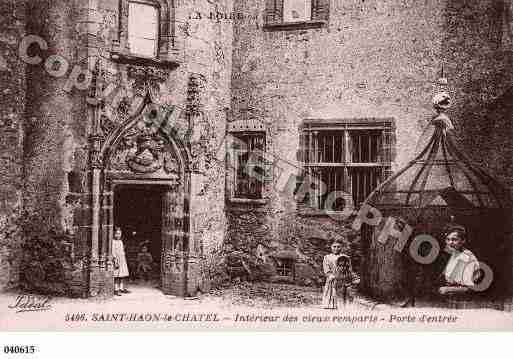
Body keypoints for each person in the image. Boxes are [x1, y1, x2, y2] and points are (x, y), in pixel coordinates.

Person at [439, 225, 480, 296]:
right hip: (450, 294)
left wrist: (448, 289)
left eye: (454, 239)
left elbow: (470, 288)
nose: (450, 243)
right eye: (448, 239)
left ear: (463, 240)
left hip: (465, 299)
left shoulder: (467, 258)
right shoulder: (453, 254)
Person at [322, 239, 359, 309]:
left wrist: (349, 278)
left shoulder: (346, 257)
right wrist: (331, 275)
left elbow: (349, 269)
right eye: (334, 246)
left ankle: (343, 306)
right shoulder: (327, 257)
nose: (336, 248)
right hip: (332, 279)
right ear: (331, 247)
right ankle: (331, 305)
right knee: (332, 292)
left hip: (343, 279)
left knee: (344, 293)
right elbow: (326, 269)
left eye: (338, 247)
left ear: (341, 247)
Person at [112, 227, 130, 296]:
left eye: (120, 234)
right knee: (117, 275)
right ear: (114, 234)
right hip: (117, 260)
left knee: (122, 275)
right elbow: (113, 251)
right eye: (117, 234)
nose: (118, 235)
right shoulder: (113, 242)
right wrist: (115, 260)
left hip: (122, 259)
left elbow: (122, 250)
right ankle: (116, 289)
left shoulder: (120, 242)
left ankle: (122, 288)